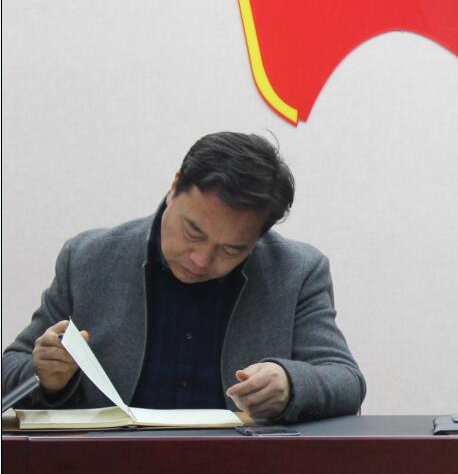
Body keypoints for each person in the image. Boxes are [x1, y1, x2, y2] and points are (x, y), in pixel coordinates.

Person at [3, 132, 365, 421]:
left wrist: (290, 383)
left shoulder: (296, 272)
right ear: (175, 187)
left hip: (246, 473)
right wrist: (46, 375)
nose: (201, 260)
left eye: (231, 250)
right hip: (105, 471)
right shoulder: (89, 259)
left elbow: (346, 380)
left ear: (259, 237)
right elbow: (10, 370)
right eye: (193, 232)